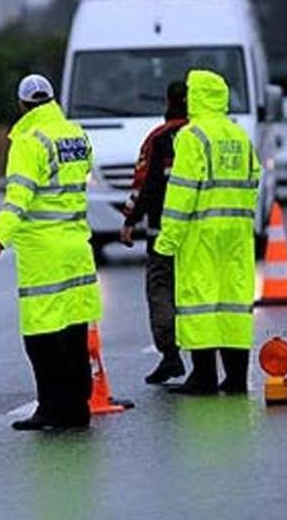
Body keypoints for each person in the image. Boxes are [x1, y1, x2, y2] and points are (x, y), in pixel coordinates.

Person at [0, 74, 102, 430]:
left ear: (22, 105)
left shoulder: (28, 141)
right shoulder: (76, 134)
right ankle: (78, 410)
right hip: (77, 245)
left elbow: (19, 198)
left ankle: (51, 409)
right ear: (51, 99)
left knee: (41, 336)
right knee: (75, 332)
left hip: (43, 252)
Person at [153, 70, 260, 395]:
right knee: (233, 302)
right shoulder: (238, 135)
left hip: (201, 233)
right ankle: (237, 376)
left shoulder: (192, 136)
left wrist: (167, 240)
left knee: (200, 301)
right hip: (238, 233)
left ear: (196, 96)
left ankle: (203, 376)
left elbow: (181, 193)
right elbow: (254, 179)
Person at [120, 81, 188, 385]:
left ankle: (170, 356)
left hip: (163, 231)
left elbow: (144, 184)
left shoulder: (158, 139)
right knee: (198, 294)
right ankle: (207, 361)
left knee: (161, 291)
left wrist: (129, 220)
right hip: (201, 233)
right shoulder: (206, 136)